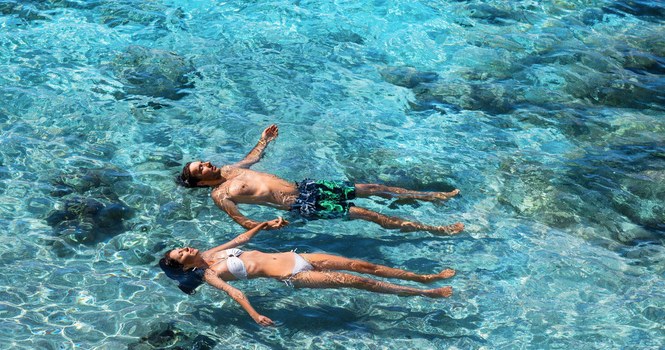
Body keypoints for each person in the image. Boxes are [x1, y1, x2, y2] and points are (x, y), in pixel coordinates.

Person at [159, 218, 455, 327]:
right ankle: (423, 292)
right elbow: (234, 292)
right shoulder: (210, 275)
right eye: (180, 254)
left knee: (366, 266)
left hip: (297, 257)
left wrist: (264, 225)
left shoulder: (212, 253)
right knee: (360, 281)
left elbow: (240, 239)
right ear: (184, 266)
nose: (185, 248)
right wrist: (255, 314)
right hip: (295, 276)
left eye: (180, 247)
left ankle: (423, 277)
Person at [176, 124, 464, 235]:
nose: (208, 163)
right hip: (302, 204)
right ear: (200, 182)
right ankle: (434, 229)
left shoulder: (229, 170)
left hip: (307, 187)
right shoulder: (221, 195)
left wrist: (263, 141)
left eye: (203, 162)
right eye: (202, 167)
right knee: (367, 214)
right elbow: (242, 221)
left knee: (373, 188)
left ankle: (433, 197)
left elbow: (251, 160)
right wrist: (268, 225)